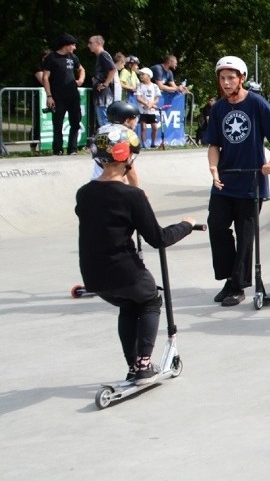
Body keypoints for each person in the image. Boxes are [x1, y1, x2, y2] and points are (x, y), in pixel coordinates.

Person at [76, 123, 195, 384]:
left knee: (129, 305)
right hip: (125, 271)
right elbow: (158, 238)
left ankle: (133, 365)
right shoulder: (132, 196)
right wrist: (186, 225)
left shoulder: (84, 193)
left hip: (95, 276)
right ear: (127, 157)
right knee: (150, 300)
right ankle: (143, 365)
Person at [204, 56, 270, 307]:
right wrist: (213, 168)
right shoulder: (219, 108)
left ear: (241, 78)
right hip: (225, 180)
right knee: (216, 226)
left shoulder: (256, 103)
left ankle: (238, 286)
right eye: (222, 78)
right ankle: (230, 277)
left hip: (251, 180)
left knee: (245, 234)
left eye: (231, 77)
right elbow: (214, 144)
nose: (227, 82)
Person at [41, 33, 86, 155]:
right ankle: (58, 149)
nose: (75, 47)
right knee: (58, 123)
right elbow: (45, 78)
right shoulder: (51, 58)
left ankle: (73, 149)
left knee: (75, 122)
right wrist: (49, 96)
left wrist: (81, 79)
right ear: (66, 45)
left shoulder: (73, 57)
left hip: (73, 95)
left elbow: (81, 69)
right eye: (73, 45)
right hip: (58, 96)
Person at [91, 100, 142, 187]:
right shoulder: (125, 136)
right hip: (116, 184)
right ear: (127, 120)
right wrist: (137, 191)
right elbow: (130, 169)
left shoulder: (101, 130)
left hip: (97, 180)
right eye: (134, 119)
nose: (136, 122)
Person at [88, 35, 117, 127]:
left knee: (104, 122)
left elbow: (113, 69)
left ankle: (109, 140)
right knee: (103, 121)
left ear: (98, 43)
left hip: (103, 96)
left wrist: (105, 84)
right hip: (101, 96)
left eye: (90, 43)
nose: (88, 45)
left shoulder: (103, 55)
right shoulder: (101, 56)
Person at [135, 67, 161, 149]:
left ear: (149, 76)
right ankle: (143, 144)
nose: (141, 76)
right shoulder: (139, 86)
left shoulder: (155, 86)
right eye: (140, 75)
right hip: (142, 111)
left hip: (151, 111)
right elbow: (138, 98)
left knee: (155, 128)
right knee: (143, 127)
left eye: (143, 74)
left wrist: (152, 104)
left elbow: (157, 98)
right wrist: (146, 103)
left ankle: (153, 143)